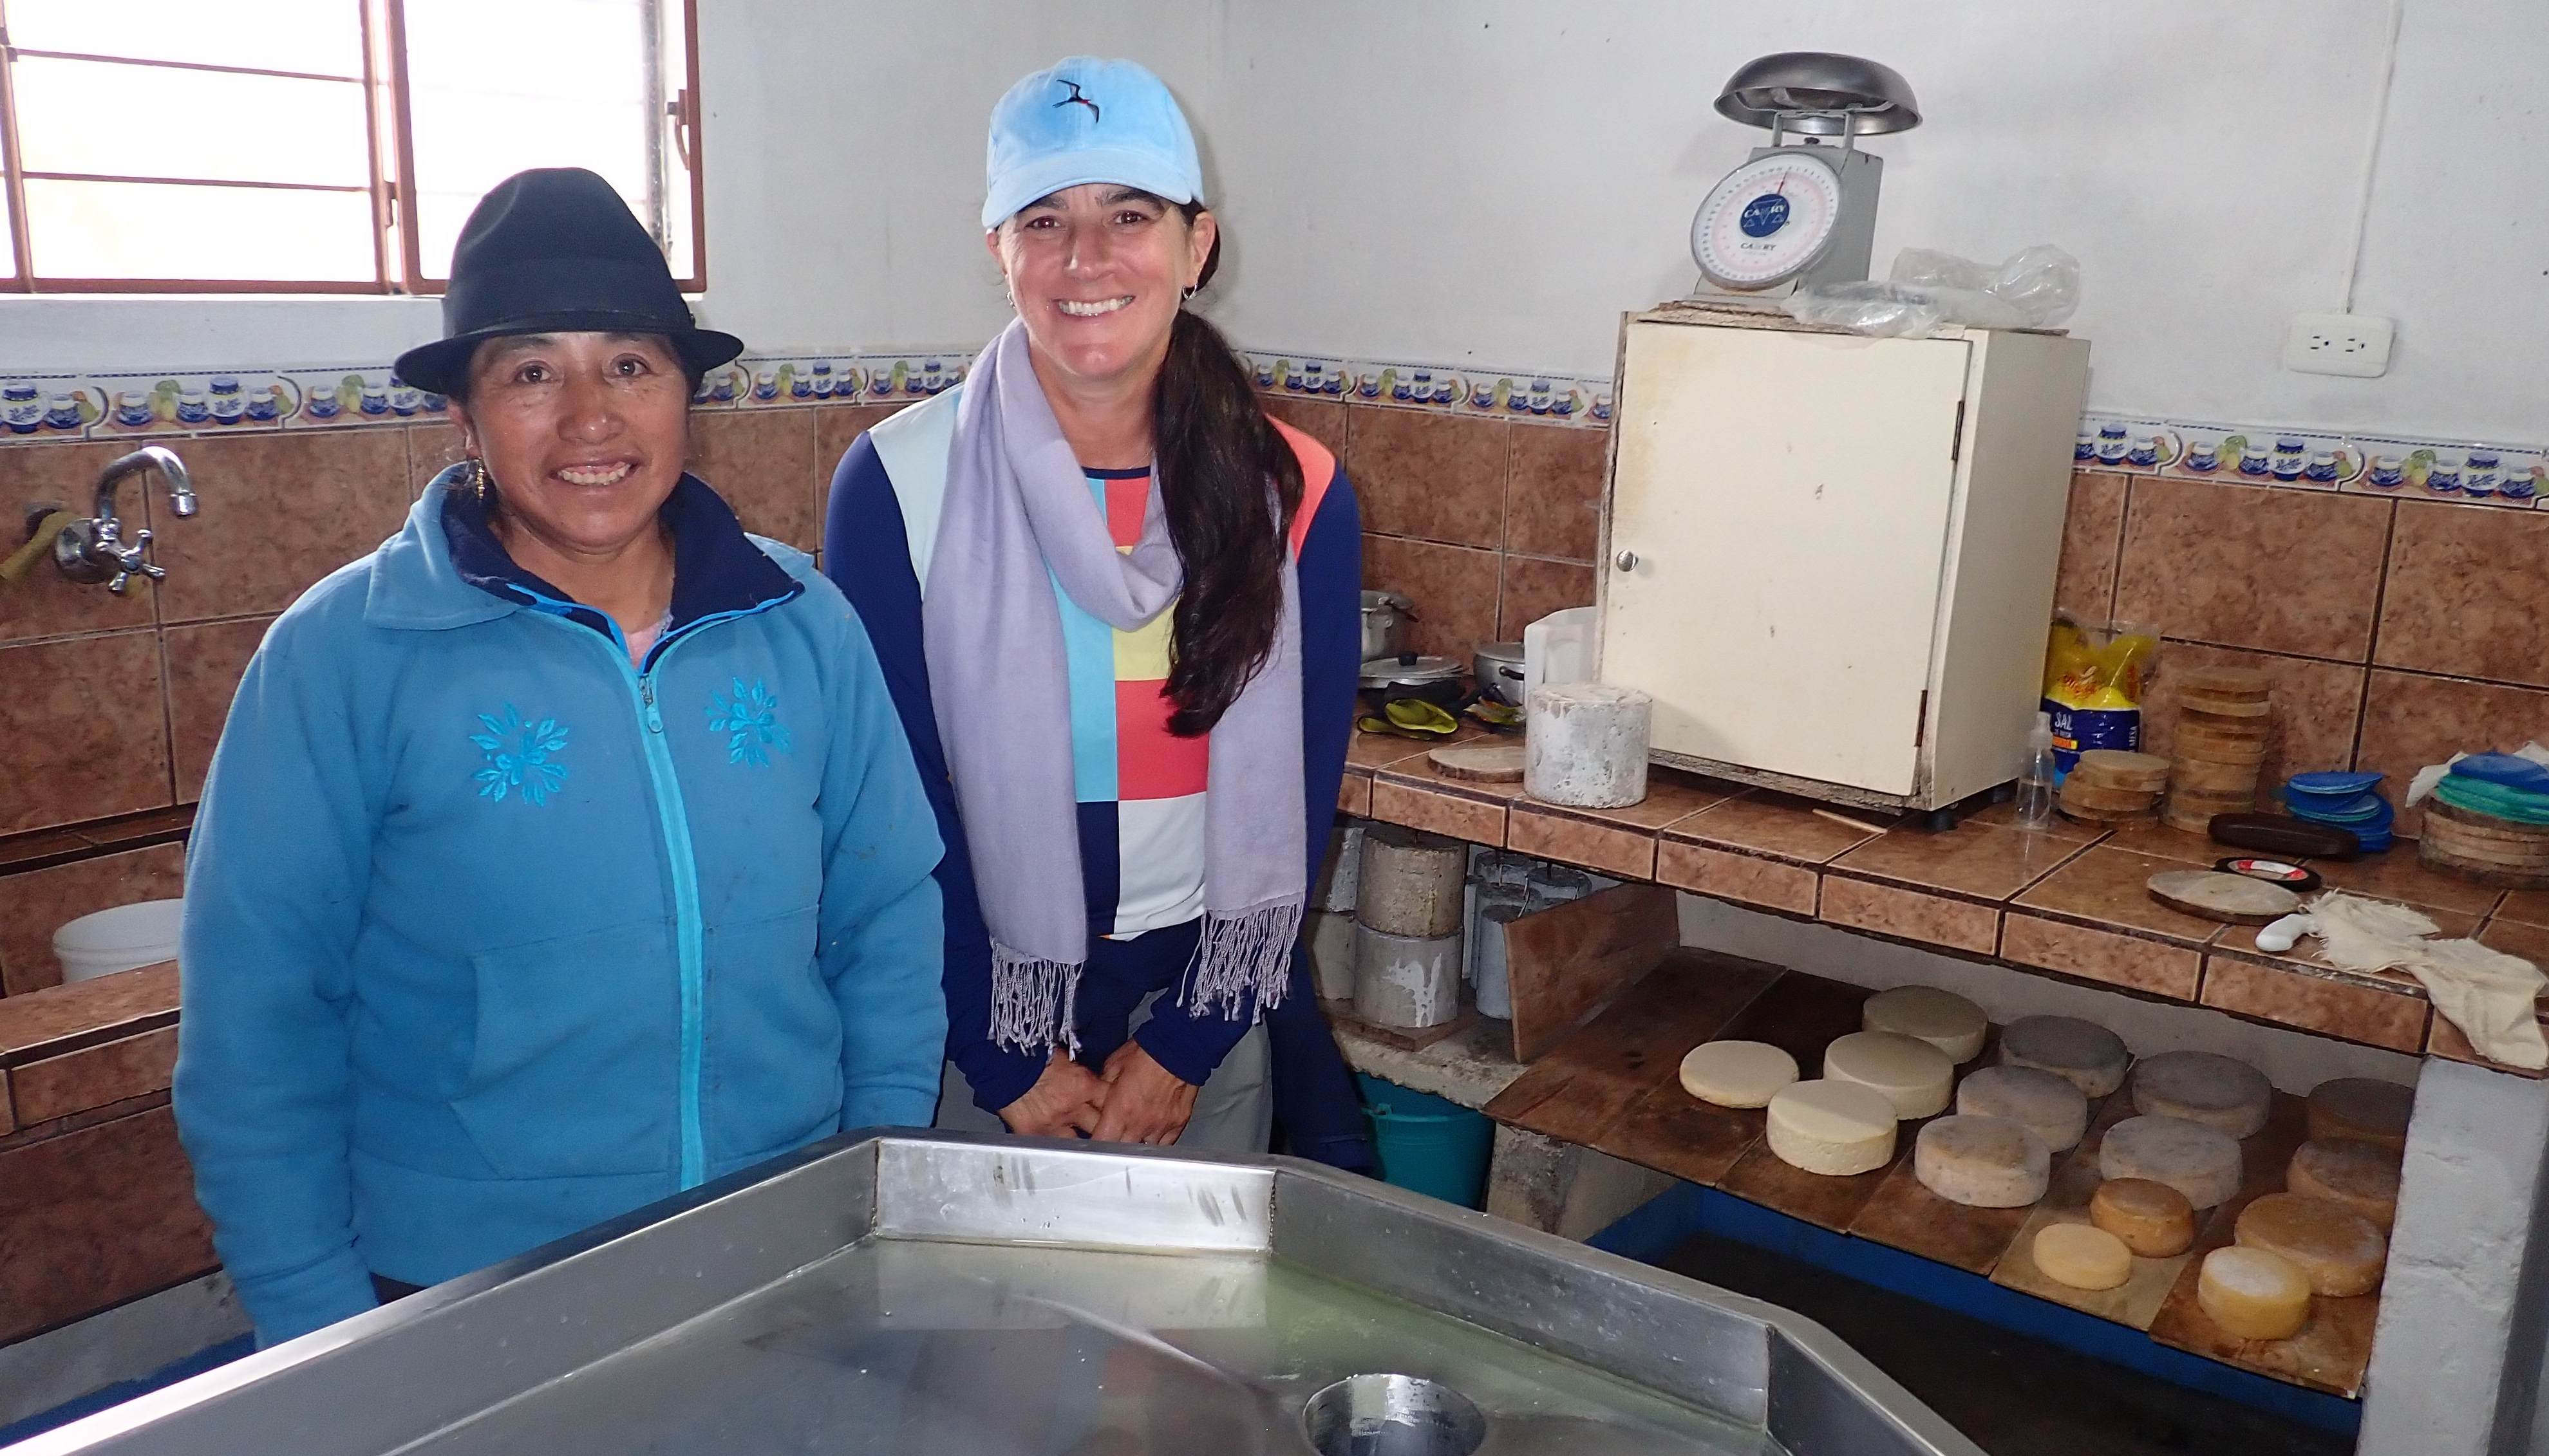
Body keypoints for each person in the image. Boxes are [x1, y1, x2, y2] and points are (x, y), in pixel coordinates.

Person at [174, 168, 947, 1347]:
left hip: (783, 1257)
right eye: (533, 372)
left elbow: (887, 914)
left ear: (686, 392)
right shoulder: (343, 656)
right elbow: (255, 1025)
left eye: (631, 366)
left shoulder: (801, 621)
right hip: (465, 1298)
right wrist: (325, 1343)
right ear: (465, 416)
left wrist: (878, 1179)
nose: (591, 418)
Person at [825, 57, 1371, 1163]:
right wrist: (1001, 1052)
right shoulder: (896, 483)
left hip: (1200, 1028)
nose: (1086, 258)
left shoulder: (1292, 491)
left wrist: (1186, 1044)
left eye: (1129, 214)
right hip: (979, 1023)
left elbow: (1301, 788)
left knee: (1191, 1336)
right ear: (999, 250)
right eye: (1044, 220)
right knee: (983, 1334)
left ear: (1195, 245)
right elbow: (893, 798)